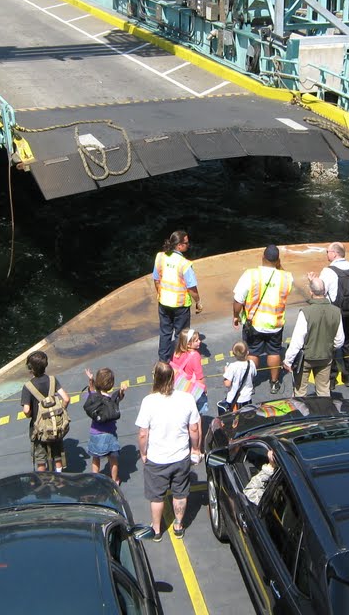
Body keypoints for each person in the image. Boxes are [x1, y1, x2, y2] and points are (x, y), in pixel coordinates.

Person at [135, 361, 201, 542]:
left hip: (157, 458)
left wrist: (143, 452)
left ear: (155, 378)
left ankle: (156, 529)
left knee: (156, 496)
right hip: (180, 456)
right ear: (173, 378)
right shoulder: (186, 398)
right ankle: (178, 525)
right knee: (180, 493)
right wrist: (195, 448)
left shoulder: (149, 401)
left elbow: (143, 433)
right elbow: (194, 428)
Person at [232, 245, 294, 394]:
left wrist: (236, 316)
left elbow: (238, 300)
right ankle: (274, 383)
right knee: (274, 352)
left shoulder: (251, 275)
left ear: (262, 258)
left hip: (254, 323)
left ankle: (250, 384)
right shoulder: (286, 277)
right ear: (278, 260)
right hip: (276, 323)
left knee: (253, 353)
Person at [312, 242, 349, 387]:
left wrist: (312, 281)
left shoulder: (328, 271)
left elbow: (321, 291)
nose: (326, 254)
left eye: (327, 251)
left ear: (334, 254)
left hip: (335, 313)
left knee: (331, 344)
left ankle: (331, 379)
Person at [282, 278, 344, 398]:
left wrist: (288, 361)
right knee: (324, 391)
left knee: (300, 393)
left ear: (311, 292)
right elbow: (339, 340)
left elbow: (297, 341)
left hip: (306, 359)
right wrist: (328, 348)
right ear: (325, 291)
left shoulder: (306, 312)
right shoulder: (336, 312)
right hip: (326, 357)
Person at [153, 230, 202, 364]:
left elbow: (156, 280)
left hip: (163, 303)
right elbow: (192, 288)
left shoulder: (160, 257)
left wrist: (161, 294)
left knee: (165, 333)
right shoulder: (184, 264)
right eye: (186, 243)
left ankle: (163, 362)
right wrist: (198, 302)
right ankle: (178, 362)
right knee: (181, 335)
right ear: (179, 245)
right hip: (180, 306)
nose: (188, 245)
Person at [20, 350, 70, 472]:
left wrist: (31, 415)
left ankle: (44, 482)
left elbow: (26, 410)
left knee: (41, 460)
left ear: (30, 368)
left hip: (39, 429)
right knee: (57, 456)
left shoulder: (28, 387)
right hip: (55, 425)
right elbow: (66, 399)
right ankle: (59, 479)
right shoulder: (53, 380)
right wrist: (60, 410)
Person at [83, 367, 125, 484]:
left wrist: (90, 380)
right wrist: (121, 391)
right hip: (110, 434)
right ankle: (114, 480)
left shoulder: (93, 398)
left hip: (95, 433)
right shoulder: (111, 400)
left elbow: (90, 393)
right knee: (113, 459)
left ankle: (96, 479)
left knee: (95, 458)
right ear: (111, 384)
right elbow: (119, 398)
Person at [171, 328, 208, 414]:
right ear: (188, 344)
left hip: (179, 389)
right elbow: (199, 377)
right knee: (198, 414)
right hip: (191, 390)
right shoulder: (195, 356)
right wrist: (204, 390)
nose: (200, 341)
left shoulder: (176, 353)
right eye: (196, 340)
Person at [222, 341, 256, 411]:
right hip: (247, 397)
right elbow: (254, 374)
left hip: (235, 398)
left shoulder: (232, 366)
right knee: (247, 417)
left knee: (236, 419)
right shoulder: (251, 363)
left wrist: (226, 372)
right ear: (247, 352)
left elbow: (227, 384)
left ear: (234, 354)